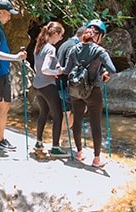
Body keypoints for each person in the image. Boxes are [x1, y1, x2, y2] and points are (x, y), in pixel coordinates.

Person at [62, 19, 117, 168]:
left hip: (75, 90)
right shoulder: (100, 51)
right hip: (93, 91)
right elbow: (112, 69)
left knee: (77, 120)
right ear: (98, 36)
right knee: (95, 124)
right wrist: (105, 74)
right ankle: (96, 159)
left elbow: (67, 70)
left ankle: (79, 153)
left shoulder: (74, 49)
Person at [0, 0, 27, 150]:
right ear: (1, 12)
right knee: (4, 105)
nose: (9, 17)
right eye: (8, 14)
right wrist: (15, 57)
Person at [32, 21, 68, 157]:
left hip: (37, 85)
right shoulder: (51, 48)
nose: (61, 39)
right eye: (61, 35)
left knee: (44, 112)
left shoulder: (39, 46)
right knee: (58, 115)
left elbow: (37, 69)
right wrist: (56, 72)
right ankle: (55, 148)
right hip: (47, 85)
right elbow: (45, 69)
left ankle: (39, 142)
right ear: (56, 34)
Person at [57, 25, 86, 128]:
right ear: (84, 35)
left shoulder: (66, 43)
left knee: (67, 112)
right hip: (67, 85)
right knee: (72, 112)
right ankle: (65, 139)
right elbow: (70, 67)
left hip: (61, 83)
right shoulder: (73, 47)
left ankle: (64, 138)